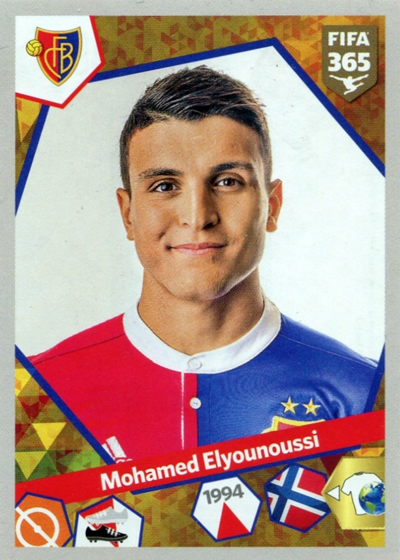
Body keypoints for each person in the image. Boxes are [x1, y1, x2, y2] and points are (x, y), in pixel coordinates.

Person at [30, 66, 380, 463]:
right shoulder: (37, 396)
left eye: (228, 181)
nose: (197, 217)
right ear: (127, 215)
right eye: (165, 186)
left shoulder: (364, 394)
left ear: (272, 206)